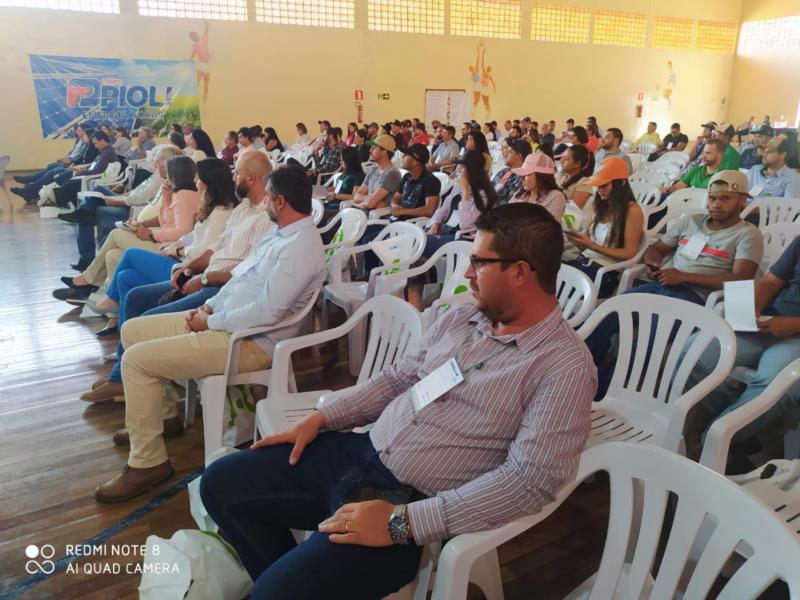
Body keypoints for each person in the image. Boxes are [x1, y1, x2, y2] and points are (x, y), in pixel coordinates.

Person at [198, 203, 596, 598]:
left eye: (480, 263)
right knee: (220, 484)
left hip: (406, 500)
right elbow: (398, 378)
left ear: (521, 272)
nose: (468, 274)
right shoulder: (464, 319)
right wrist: (320, 420)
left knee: (275, 593)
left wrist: (401, 524)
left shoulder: (563, 366)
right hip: (360, 452)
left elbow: (529, 483)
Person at [94, 165, 327, 502]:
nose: (263, 207)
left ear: (279, 202)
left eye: (268, 202)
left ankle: (148, 463)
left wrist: (211, 321)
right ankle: (162, 416)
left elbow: (267, 312)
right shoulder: (281, 234)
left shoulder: (300, 247)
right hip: (225, 320)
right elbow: (240, 278)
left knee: (136, 362)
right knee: (133, 330)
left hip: (249, 343)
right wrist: (209, 306)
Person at [83, 155, 273, 405]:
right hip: (203, 274)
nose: (234, 177)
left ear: (251, 178)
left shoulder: (266, 216)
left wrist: (203, 277)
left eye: (237, 173)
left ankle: (141, 388)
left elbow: (247, 268)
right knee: (134, 294)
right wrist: (188, 268)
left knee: (145, 317)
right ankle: (121, 374)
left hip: (219, 288)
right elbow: (215, 247)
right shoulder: (242, 208)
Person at [583, 170, 763, 372]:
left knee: (649, 338)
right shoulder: (691, 222)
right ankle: (580, 372)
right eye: (712, 198)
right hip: (661, 285)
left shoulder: (747, 234)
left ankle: (607, 388)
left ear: (742, 201)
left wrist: (683, 277)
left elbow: (740, 280)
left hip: (696, 297)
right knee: (609, 312)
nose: (716, 204)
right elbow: (655, 249)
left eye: (725, 199)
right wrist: (654, 264)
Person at [90, 157, 237, 337]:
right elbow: (189, 235)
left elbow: (204, 251)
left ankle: (111, 298)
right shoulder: (211, 207)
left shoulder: (221, 212)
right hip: (180, 258)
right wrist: (177, 244)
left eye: (199, 179)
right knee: (124, 277)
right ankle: (125, 341)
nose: (195, 182)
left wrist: (176, 250)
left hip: (186, 269)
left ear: (209, 184)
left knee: (129, 254)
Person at [688, 236, 800, 462]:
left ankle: (709, 446)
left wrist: (794, 324)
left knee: (775, 386)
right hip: (769, 320)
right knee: (692, 354)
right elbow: (770, 281)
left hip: (795, 336)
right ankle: (746, 425)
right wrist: (754, 308)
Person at [53, 156, 202, 304]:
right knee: (112, 255)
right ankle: (113, 311)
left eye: (168, 171)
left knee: (116, 234)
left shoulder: (185, 196)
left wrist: (150, 233)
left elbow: (182, 232)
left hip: (168, 248)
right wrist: (166, 199)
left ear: (175, 173)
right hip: (163, 241)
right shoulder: (177, 193)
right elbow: (166, 222)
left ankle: (87, 280)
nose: (165, 174)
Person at [58, 145, 181, 270]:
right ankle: (84, 212)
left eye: (157, 158)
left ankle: (87, 256)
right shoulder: (157, 175)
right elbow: (136, 192)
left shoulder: (163, 181)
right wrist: (119, 196)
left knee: (94, 210)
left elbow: (139, 200)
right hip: (128, 200)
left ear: (167, 163)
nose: (154, 160)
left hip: (131, 208)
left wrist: (112, 201)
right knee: (97, 191)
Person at [563, 158, 645, 298]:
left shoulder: (632, 210)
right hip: (583, 261)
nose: (599, 190)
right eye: (597, 185)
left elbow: (629, 253)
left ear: (622, 183)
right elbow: (587, 244)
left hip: (604, 272)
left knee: (555, 289)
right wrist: (579, 241)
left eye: (604, 185)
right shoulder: (599, 204)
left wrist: (593, 246)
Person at [425, 149, 498, 256]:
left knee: (417, 244)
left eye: (463, 167)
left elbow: (466, 224)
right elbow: (444, 208)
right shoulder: (459, 186)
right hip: (445, 231)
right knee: (412, 239)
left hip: (461, 239)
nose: (460, 170)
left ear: (471, 170)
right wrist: (435, 223)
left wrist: (465, 193)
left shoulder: (484, 194)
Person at [52, 131, 120, 207]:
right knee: (66, 182)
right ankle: (72, 206)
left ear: (102, 141)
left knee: (67, 186)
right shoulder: (105, 151)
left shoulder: (107, 153)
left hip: (93, 180)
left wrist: (81, 172)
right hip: (91, 177)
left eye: (95, 143)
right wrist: (82, 169)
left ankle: (74, 207)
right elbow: (94, 165)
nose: (95, 146)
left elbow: (98, 171)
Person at [351, 135, 403, 212]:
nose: (370, 151)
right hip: (361, 212)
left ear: (384, 151)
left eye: (374, 148)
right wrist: (368, 199)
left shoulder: (392, 174)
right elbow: (356, 196)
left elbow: (370, 204)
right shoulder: (373, 168)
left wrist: (359, 202)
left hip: (375, 217)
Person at [509, 152, 566, 222]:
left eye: (527, 174)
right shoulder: (520, 194)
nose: (522, 178)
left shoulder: (555, 196)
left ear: (541, 176)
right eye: (522, 174)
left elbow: (546, 229)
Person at [389, 144, 441, 220]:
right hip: (399, 221)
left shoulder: (431, 181)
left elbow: (430, 210)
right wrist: (395, 206)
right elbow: (396, 198)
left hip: (414, 226)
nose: (403, 157)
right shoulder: (407, 177)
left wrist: (403, 211)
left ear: (414, 162)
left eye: (406, 155)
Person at [491, 138, 532, 205]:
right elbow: (488, 188)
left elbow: (507, 203)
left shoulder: (523, 179)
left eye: (510, 152)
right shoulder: (503, 171)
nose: (506, 154)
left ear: (519, 156)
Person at [556, 144, 594, 210]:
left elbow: (573, 210)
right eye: (563, 157)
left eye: (567, 159)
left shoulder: (584, 182)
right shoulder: (562, 174)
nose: (561, 161)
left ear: (577, 164)